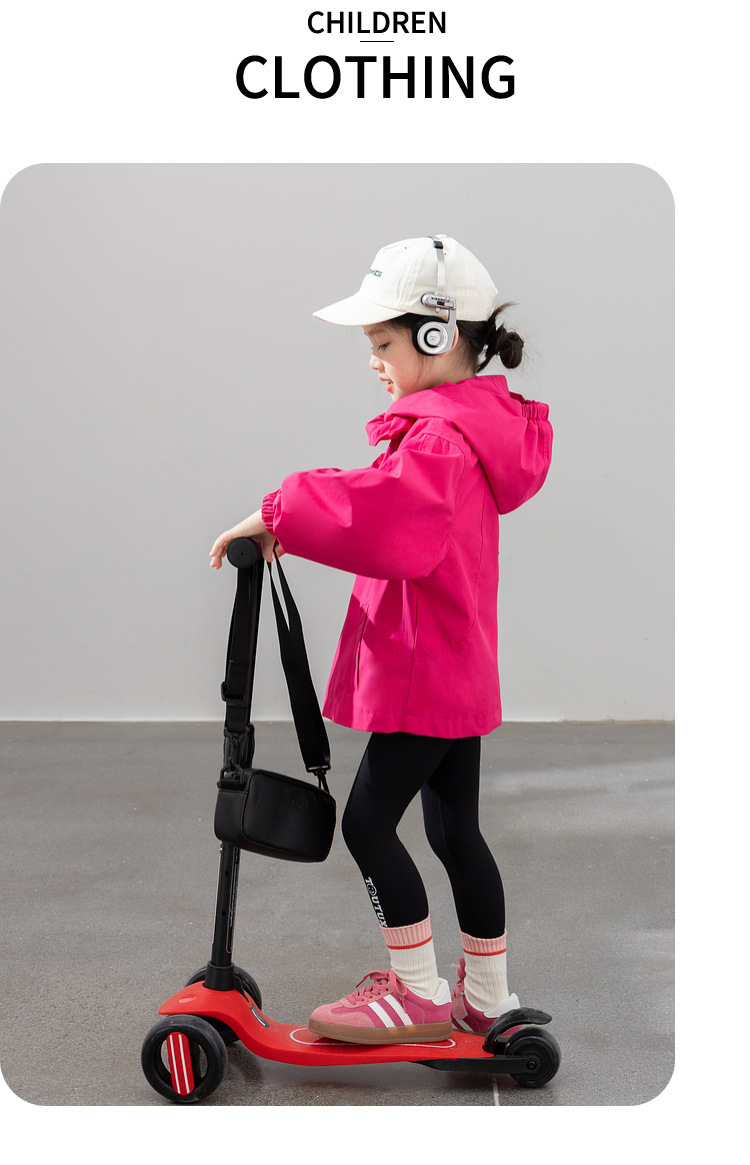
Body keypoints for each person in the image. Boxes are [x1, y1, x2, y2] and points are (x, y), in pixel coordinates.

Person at [209, 235, 553, 1044]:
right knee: (454, 832)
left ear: (438, 335)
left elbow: (381, 516)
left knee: (367, 825)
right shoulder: (465, 434)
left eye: (383, 343)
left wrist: (277, 511)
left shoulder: (437, 442)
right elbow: (381, 498)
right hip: (456, 670)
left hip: (422, 677)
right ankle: (489, 996)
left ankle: (417, 991)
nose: (373, 361)